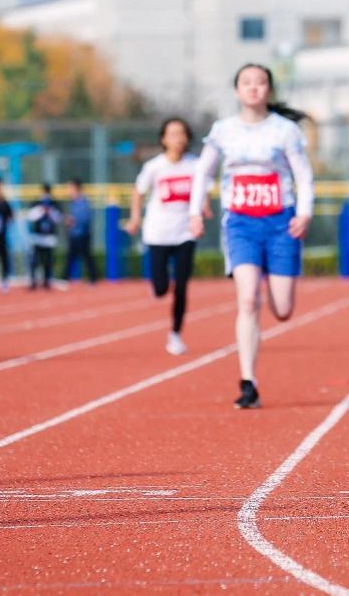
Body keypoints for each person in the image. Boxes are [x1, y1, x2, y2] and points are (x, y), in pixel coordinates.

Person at [189, 64, 314, 409]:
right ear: (237, 90)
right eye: (246, 82)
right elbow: (202, 173)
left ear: (268, 90)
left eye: (260, 82)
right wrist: (195, 211)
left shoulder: (285, 130)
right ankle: (248, 381)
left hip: (281, 223)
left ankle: (275, 278)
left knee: (283, 310)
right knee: (247, 300)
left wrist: (304, 213)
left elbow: (303, 175)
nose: (253, 88)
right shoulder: (223, 131)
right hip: (240, 223)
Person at [126, 117, 209, 356]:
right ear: (163, 139)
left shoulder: (196, 165)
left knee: (182, 285)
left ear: (187, 137)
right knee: (161, 288)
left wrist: (204, 207)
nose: (177, 139)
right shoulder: (154, 167)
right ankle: (160, 286)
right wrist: (135, 218)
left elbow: (203, 189)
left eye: (181, 134)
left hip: (185, 232)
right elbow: (138, 192)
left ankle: (175, 334)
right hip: (158, 232)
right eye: (172, 134)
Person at [64, 178, 98, 284]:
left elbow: (84, 218)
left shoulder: (83, 201)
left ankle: (93, 277)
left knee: (86, 256)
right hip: (74, 234)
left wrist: (72, 220)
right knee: (71, 256)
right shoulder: (73, 202)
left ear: (76, 188)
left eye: (70, 187)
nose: (68, 190)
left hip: (82, 234)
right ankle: (65, 277)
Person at [27, 184, 62, 290]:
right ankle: (33, 281)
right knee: (34, 260)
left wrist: (50, 211)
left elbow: (58, 219)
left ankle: (47, 281)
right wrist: (41, 210)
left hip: (49, 237)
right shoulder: (36, 203)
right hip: (37, 237)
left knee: (48, 260)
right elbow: (31, 216)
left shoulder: (55, 204)